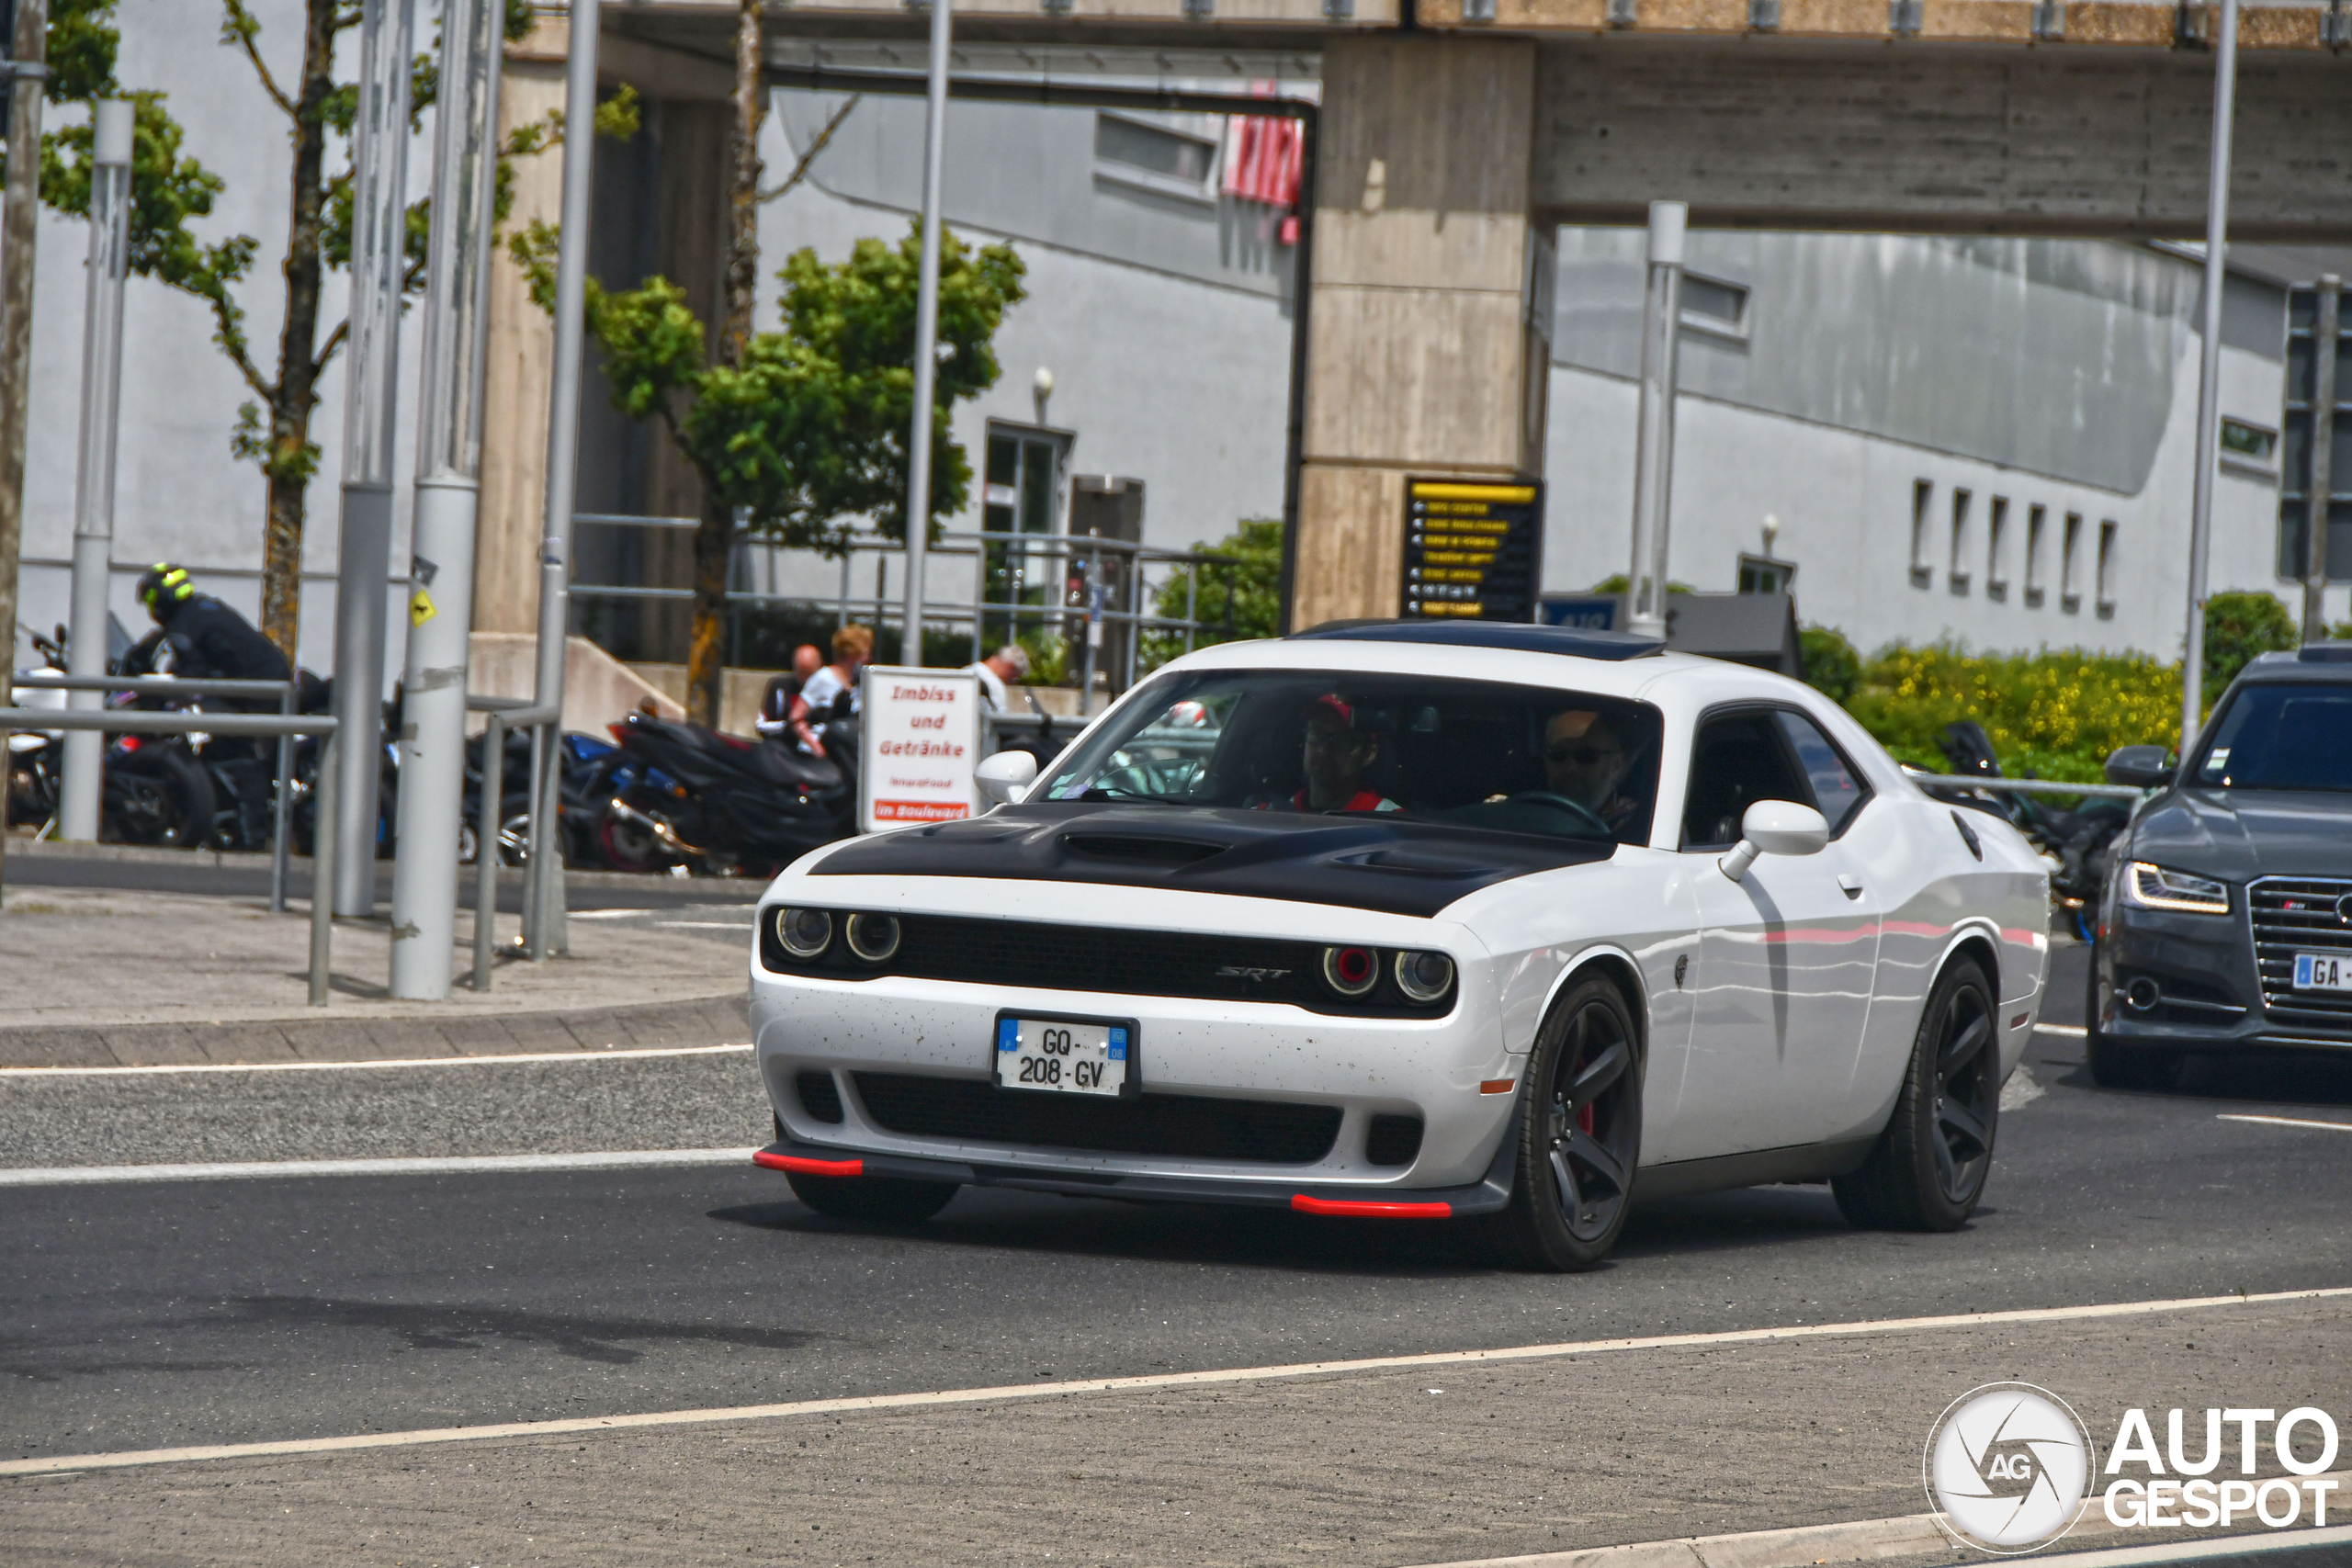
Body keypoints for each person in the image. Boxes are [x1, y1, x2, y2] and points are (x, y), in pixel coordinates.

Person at [123, 563, 289, 704]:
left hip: (256, 695)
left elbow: (193, 671)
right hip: (268, 683)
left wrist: (168, 680)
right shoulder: (203, 608)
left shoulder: (184, 626)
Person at [1262, 694, 1398, 815]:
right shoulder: (1268, 815)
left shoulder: (1393, 822)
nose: (1324, 750)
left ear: (1368, 754)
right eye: (1317, 734)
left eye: (1341, 741)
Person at [1542, 708, 1640, 832]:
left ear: (1616, 765)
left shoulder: (1637, 825)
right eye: (1557, 755)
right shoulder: (1523, 816)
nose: (1570, 767)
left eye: (1586, 757)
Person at [792, 625, 872, 758]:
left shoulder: (857, 683)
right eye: (864, 653)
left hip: (844, 752)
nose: (868, 658)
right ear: (852, 654)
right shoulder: (823, 678)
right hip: (817, 755)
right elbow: (796, 717)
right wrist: (817, 748)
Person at [964, 643, 1030, 711]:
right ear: (1010, 667)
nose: (1010, 683)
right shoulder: (996, 687)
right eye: (1014, 678)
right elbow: (999, 719)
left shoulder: (966, 672)